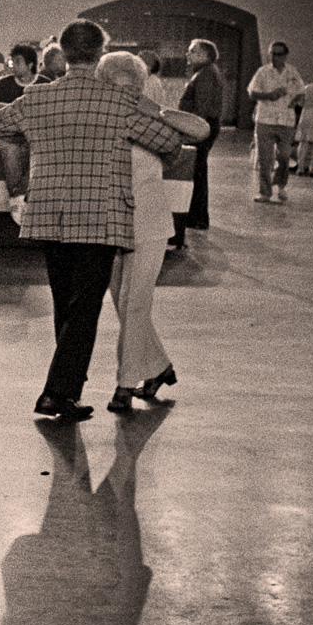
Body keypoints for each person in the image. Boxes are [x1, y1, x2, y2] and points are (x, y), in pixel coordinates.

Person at [0, 20, 185, 421]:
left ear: (61, 50)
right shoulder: (117, 101)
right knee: (85, 309)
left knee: (66, 305)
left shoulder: (37, 98)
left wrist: (33, 135)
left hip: (49, 214)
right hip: (99, 217)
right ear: (101, 50)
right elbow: (169, 143)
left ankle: (66, 389)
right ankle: (57, 394)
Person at [95, 51, 210, 413]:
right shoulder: (97, 121)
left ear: (142, 88)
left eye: (132, 88)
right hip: (110, 222)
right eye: (117, 87)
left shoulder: (152, 123)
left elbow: (201, 130)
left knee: (136, 303)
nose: (124, 94)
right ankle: (159, 367)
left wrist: (154, 109)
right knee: (122, 302)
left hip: (150, 223)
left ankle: (125, 384)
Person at [173, 38, 224, 244]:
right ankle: (196, 216)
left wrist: (188, 128)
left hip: (201, 126)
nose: (188, 54)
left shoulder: (206, 75)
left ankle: (197, 217)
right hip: (204, 125)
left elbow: (201, 109)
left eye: (192, 51)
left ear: (205, 54)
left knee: (197, 171)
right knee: (198, 171)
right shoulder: (206, 72)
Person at [248, 40, 305, 203]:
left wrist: (294, 102)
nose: (274, 57)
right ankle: (265, 192)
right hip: (265, 119)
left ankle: (281, 185)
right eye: (272, 53)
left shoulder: (292, 72)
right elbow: (252, 93)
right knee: (265, 158)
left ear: (285, 55)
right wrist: (269, 95)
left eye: (278, 54)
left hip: (286, 121)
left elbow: (301, 90)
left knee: (285, 156)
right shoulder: (263, 72)